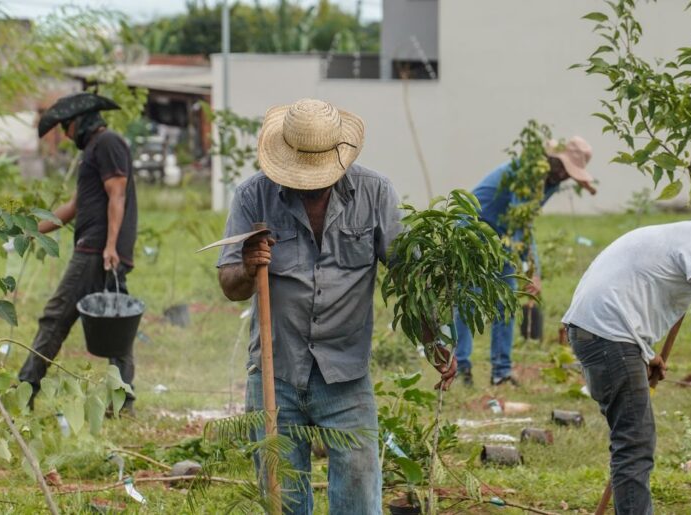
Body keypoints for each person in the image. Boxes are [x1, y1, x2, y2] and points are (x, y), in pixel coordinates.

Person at [216, 98, 457, 514]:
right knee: (283, 499)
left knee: (360, 495)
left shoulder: (374, 194)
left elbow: (406, 278)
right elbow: (229, 285)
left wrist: (434, 342)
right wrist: (248, 267)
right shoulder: (253, 197)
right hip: (277, 372)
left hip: (345, 374)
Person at [562, 210, 691, 514]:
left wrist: (646, 352)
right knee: (635, 444)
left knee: (632, 440)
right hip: (608, 335)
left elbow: (643, 285)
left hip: (598, 331)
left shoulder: (685, 236)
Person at [20, 92, 138, 411]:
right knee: (118, 324)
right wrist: (30, 228)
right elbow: (74, 207)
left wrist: (110, 246)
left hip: (97, 250)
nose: (66, 135)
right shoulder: (93, 151)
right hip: (101, 250)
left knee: (55, 317)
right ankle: (123, 402)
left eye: (65, 127)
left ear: (79, 121)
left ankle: (24, 389)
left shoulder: (107, 143)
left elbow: (117, 195)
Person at [455, 136, 597, 386]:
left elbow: (525, 221)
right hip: (475, 231)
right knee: (470, 299)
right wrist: (531, 270)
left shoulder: (551, 181)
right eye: (564, 168)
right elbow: (518, 220)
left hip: (504, 235)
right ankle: (461, 368)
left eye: (570, 173)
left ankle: (501, 372)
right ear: (553, 160)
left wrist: (532, 268)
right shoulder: (526, 173)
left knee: (506, 303)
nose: (565, 175)